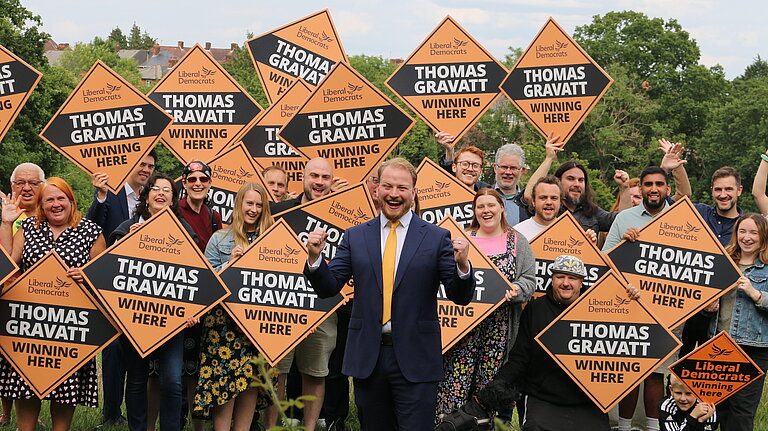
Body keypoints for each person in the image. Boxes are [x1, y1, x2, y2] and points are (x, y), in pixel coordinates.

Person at [305, 157, 475, 430]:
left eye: (402, 188)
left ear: (414, 192)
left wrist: (463, 265)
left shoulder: (435, 237)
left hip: (416, 358)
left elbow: (460, 295)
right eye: (388, 186)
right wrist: (315, 259)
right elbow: (328, 287)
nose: (394, 194)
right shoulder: (355, 236)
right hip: (369, 358)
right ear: (376, 190)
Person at [437, 255, 640, 431]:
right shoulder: (536, 309)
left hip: (587, 401)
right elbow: (519, 358)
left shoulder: (601, 308)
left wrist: (633, 301)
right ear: (551, 280)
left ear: (581, 282)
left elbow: (629, 341)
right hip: (543, 399)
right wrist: (494, 388)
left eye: (572, 278)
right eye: (560, 277)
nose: (566, 283)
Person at [0, 177, 106, 431]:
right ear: (41, 205)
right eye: (49, 199)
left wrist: (89, 275)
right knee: (25, 386)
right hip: (28, 324)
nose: (56, 204)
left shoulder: (91, 231)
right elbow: (7, 265)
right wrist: (6, 223)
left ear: (71, 201)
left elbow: (104, 277)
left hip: (69, 328)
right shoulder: (28, 228)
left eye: (61, 198)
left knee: (65, 389)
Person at [435, 188, 536, 420]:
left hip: (499, 332)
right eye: (480, 206)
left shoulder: (518, 242)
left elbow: (530, 279)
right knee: (454, 384)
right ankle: (449, 424)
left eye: (491, 205)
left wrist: (518, 290)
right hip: (462, 331)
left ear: (502, 208)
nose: (486, 210)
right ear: (474, 211)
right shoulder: (462, 240)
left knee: (490, 388)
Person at [109, 173, 197, 431]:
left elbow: (196, 277)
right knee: (136, 379)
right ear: (146, 197)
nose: (160, 193)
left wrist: (193, 309)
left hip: (173, 321)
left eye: (167, 190)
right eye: (155, 189)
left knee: (172, 380)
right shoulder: (127, 227)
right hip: (135, 319)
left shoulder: (185, 232)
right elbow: (110, 270)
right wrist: (127, 243)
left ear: (173, 199)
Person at [264, 156, 341, 430]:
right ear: (304, 179)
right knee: (278, 371)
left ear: (332, 181)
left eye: (325, 177)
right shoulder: (278, 212)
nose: (319, 182)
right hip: (282, 303)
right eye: (314, 176)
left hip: (323, 306)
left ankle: (309, 427)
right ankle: (272, 425)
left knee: (316, 371)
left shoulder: (342, 215)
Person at [195, 182, 274, 431]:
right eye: (249, 203)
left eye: (259, 205)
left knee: (251, 383)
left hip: (257, 325)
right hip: (223, 327)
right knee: (225, 386)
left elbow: (287, 284)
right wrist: (229, 265)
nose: (253, 209)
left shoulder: (274, 240)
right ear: (238, 204)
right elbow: (205, 286)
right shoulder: (220, 239)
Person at [86, 149, 156, 428]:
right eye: (142, 164)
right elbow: (91, 227)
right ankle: (111, 412)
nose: (146, 169)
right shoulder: (110, 194)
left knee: (136, 352)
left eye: (150, 166)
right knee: (113, 349)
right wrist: (100, 196)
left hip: (144, 287)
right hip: (112, 283)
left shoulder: (154, 198)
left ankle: (133, 412)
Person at [601, 166, 673, 431]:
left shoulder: (680, 219)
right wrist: (624, 244)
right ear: (640, 188)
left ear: (668, 189)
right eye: (648, 184)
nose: (653, 189)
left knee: (656, 373)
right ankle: (623, 426)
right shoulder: (625, 218)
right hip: (628, 305)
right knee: (630, 371)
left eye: (659, 184)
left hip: (668, 308)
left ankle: (654, 428)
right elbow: (605, 259)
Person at [708, 213, 768, 429]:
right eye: (742, 231)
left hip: (753, 347)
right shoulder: (724, 262)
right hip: (720, 344)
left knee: (742, 410)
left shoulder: (767, 267)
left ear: (763, 236)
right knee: (720, 406)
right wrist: (708, 307)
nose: (747, 237)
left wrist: (756, 294)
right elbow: (709, 301)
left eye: (754, 232)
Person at [177, 160, 222, 431]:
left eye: (203, 180)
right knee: (173, 368)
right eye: (191, 179)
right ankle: (174, 419)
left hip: (206, 298)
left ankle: (197, 425)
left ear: (209, 184)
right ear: (183, 183)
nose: (197, 184)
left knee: (197, 366)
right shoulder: (174, 210)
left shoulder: (214, 216)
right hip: (180, 293)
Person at [0, 162, 45, 425]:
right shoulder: (3, 210)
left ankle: (29, 415)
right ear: (11, 185)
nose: (26, 188)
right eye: (20, 183)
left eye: (33, 183)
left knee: (27, 357)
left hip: (35, 297)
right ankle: (6, 412)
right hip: (5, 291)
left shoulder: (49, 210)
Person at [524, 132, 630, 233]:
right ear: (558, 182)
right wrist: (549, 158)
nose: (576, 184)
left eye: (581, 180)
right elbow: (529, 194)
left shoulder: (592, 212)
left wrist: (624, 188)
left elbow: (622, 222)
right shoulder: (551, 208)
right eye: (570, 179)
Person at [513, 176, 570, 241]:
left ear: (560, 202)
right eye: (543, 198)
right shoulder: (517, 233)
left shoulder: (571, 233)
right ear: (533, 201)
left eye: (554, 198)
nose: (549, 202)